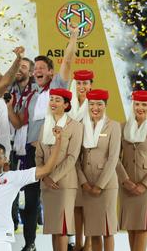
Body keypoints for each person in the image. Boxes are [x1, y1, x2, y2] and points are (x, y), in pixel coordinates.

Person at [7, 25, 79, 251]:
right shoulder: (33, 96)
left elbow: (67, 62)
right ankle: (30, 244)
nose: (37, 71)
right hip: (30, 154)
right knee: (29, 200)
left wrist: (73, 36)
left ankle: (69, 241)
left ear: (50, 72)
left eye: (41, 68)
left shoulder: (57, 86)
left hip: (52, 152)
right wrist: (9, 108)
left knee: (53, 198)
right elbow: (19, 123)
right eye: (34, 68)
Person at [116, 90, 147, 251]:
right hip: (126, 186)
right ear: (133, 105)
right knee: (131, 227)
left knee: (143, 228)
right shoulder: (122, 128)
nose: (140, 107)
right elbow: (114, 158)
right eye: (137, 104)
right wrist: (125, 181)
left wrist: (144, 184)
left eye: (144, 104)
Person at [35, 88, 83, 251]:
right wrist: (43, 176)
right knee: (53, 228)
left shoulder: (75, 126)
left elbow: (72, 157)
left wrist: (52, 178)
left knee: (62, 227)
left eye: (57, 100)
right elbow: (39, 154)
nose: (53, 103)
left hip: (64, 183)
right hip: (46, 183)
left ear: (66, 104)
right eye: (52, 99)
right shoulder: (45, 124)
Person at [75, 89, 120, 251]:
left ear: (105, 105)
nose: (95, 107)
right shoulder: (80, 126)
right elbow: (75, 159)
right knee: (93, 230)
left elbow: (113, 158)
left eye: (99, 104)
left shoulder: (113, 126)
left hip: (106, 185)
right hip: (86, 185)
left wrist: (100, 185)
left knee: (107, 230)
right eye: (92, 104)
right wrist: (83, 183)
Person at [67, 69, 94, 251]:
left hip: (90, 157)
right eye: (79, 83)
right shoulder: (69, 105)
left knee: (90, 205)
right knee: (76, 204)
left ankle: (90, 243)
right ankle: (77, 242)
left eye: (85, 83)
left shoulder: (96, 104)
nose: (82, 87)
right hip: (72, 158)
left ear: (91, 85)